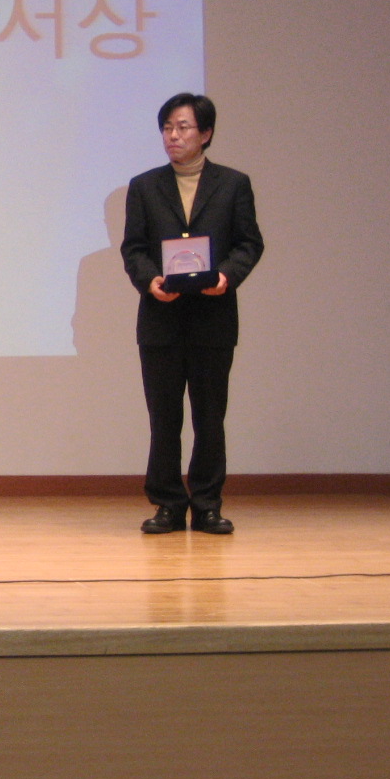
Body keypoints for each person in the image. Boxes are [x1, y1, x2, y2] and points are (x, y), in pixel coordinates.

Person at [121, 92, 263, 535]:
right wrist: (149, 280)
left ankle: (207, 505)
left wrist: (226, 276)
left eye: (183, 127)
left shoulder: (233, 184)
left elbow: (249, 243)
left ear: (206, 133)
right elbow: (133, 248)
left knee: (209, 418)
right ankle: (167, 504)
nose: (173, 136)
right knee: (164, 419)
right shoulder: (144, 186)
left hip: (212, 318)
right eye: (167, 128)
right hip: (160, 320)